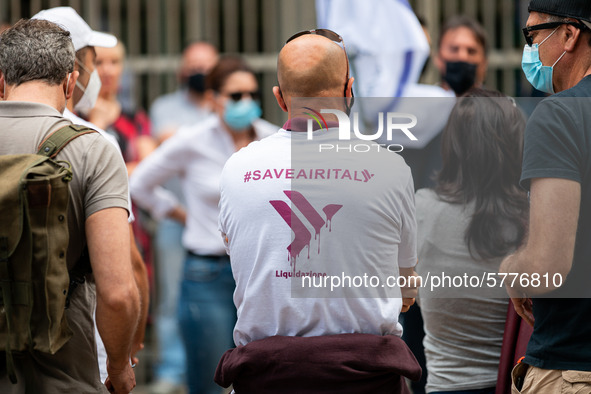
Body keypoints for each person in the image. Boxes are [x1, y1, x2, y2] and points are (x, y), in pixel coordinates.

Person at [215, 30, 421, 392]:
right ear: (349, 89)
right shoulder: (391, 168)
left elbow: (245, 264)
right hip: (366, 380)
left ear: (279, 98)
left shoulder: (237, 168)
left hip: (266, 378)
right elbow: (405, 289)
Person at [0, 18, 140, 393]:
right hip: (63, 375)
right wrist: (118, 365)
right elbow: (118, 292)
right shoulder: (93, 149)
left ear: (1, 81)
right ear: (69, 81)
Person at [131, 55, 276, 394]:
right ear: (212, 99)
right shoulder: (192, 139)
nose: (247, 103)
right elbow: (139, 184)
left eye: (252, 95)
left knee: (265, 379)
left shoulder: (272, 140)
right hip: (206, 275)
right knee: (210, 381)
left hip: (263, 275)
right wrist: (180, 214)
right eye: (236, 96)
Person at [32, 7, 150, 385]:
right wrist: (126, 351)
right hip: (82, 347)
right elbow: (124, 271)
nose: (97, 73)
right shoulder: (94, 143)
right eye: (94, 62)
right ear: (74, 71)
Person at [499, 0, 591, 391]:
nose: (530, 48)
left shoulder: (560, 115)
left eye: (533, 35)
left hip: (573, 368)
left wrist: (511, 271)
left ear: (569, 34)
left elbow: (546, 267)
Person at [415, 89, 528, 394]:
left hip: (442, 385)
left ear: (452, 144)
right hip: (512, 383)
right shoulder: (531, 216)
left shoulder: (420, 208)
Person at [147, 41, 219, 392]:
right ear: (180, 70)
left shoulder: (226, 106)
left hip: (217, 225)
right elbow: (163, 140)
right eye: (193, 65)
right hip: (175, 219)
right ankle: (170, 370)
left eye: (207, 66)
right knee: (170, 299)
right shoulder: (165, 106)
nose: (200, 72)